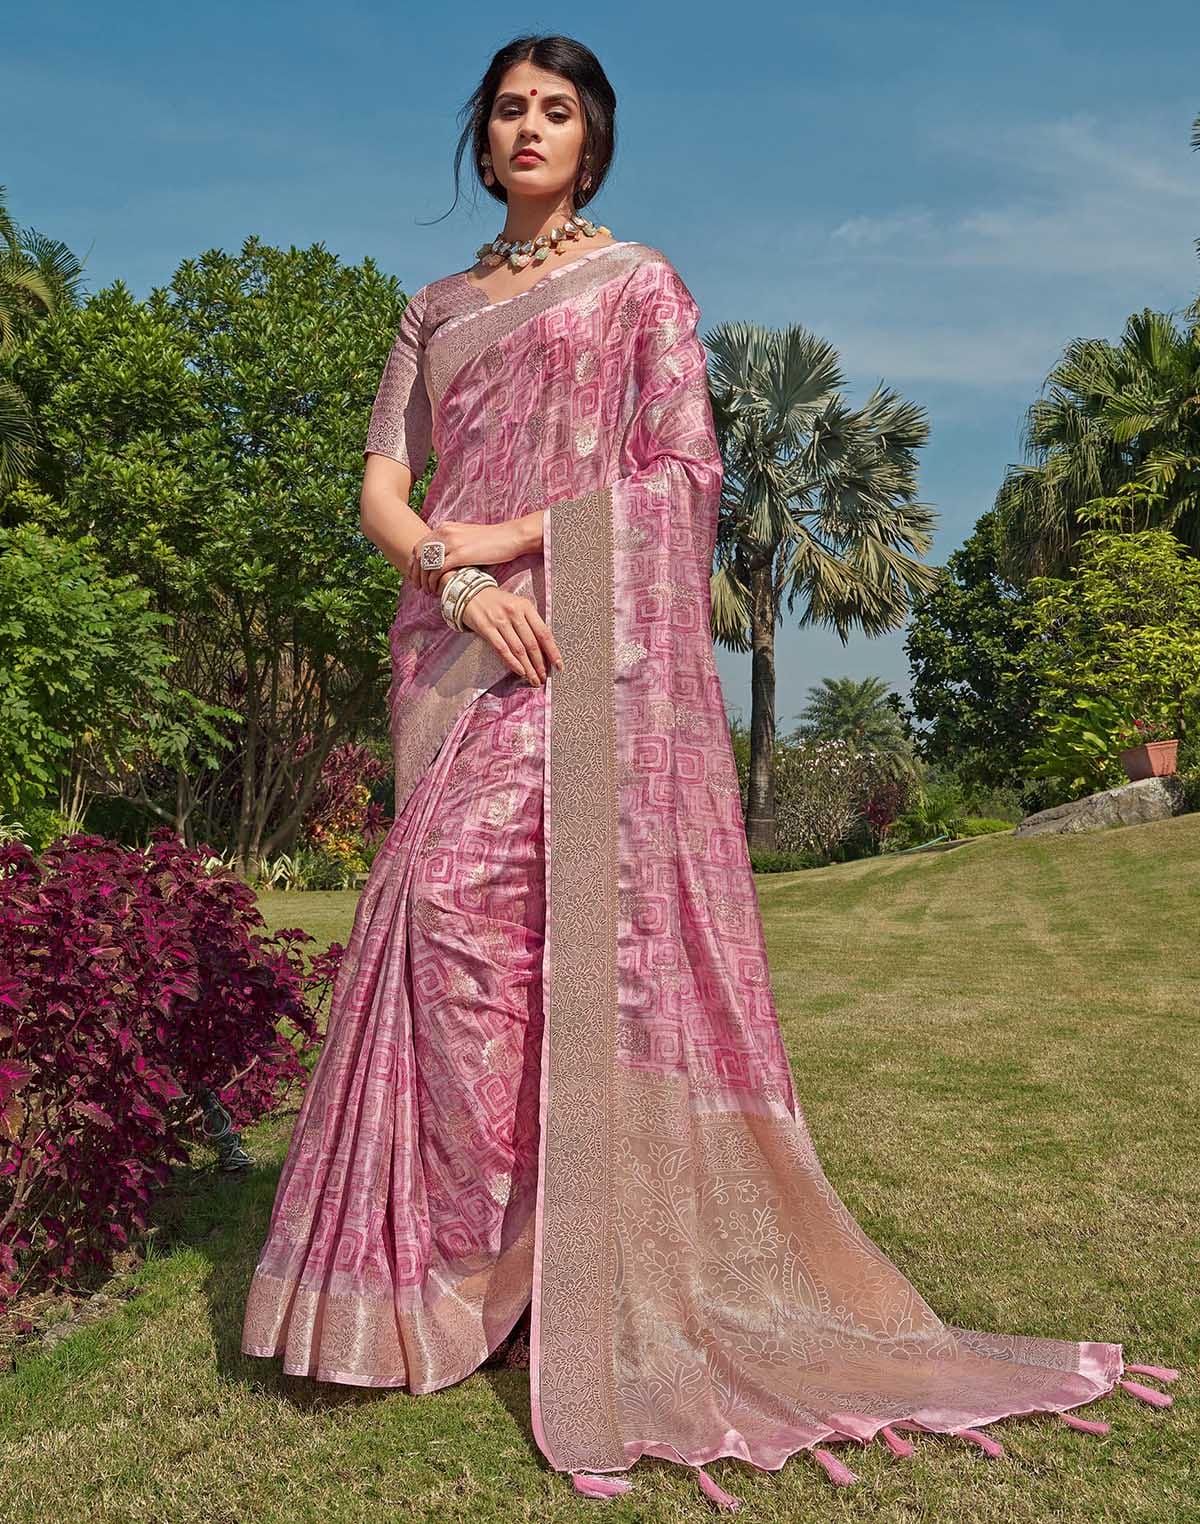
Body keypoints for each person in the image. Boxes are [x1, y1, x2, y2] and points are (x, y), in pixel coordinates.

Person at [240, 32, 1178, 1505]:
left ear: (592, 144)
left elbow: (682, 471)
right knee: (442, 929)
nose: (531, 128)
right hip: (453, 652)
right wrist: (445, 564)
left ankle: (558, 1270)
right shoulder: (431, 310)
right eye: (508, 111)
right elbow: (379, 481)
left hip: (579, 651)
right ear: (480, 145)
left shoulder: (639, 287)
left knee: (556, 942)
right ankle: (457, 1274)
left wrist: (509, 541)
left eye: (557, 111)